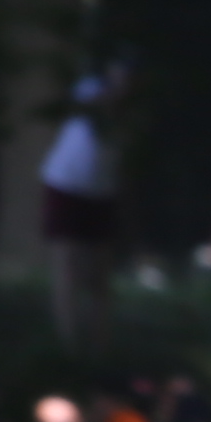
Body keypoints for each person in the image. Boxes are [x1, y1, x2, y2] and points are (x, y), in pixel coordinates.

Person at [39, 60, 131, 345]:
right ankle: (66, 342)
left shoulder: (135, 110)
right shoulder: (90, 88)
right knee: (67, 265)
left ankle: (98, 344)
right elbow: (88, 105)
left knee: (99, 273)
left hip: (102, 190)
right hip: (66, 182)